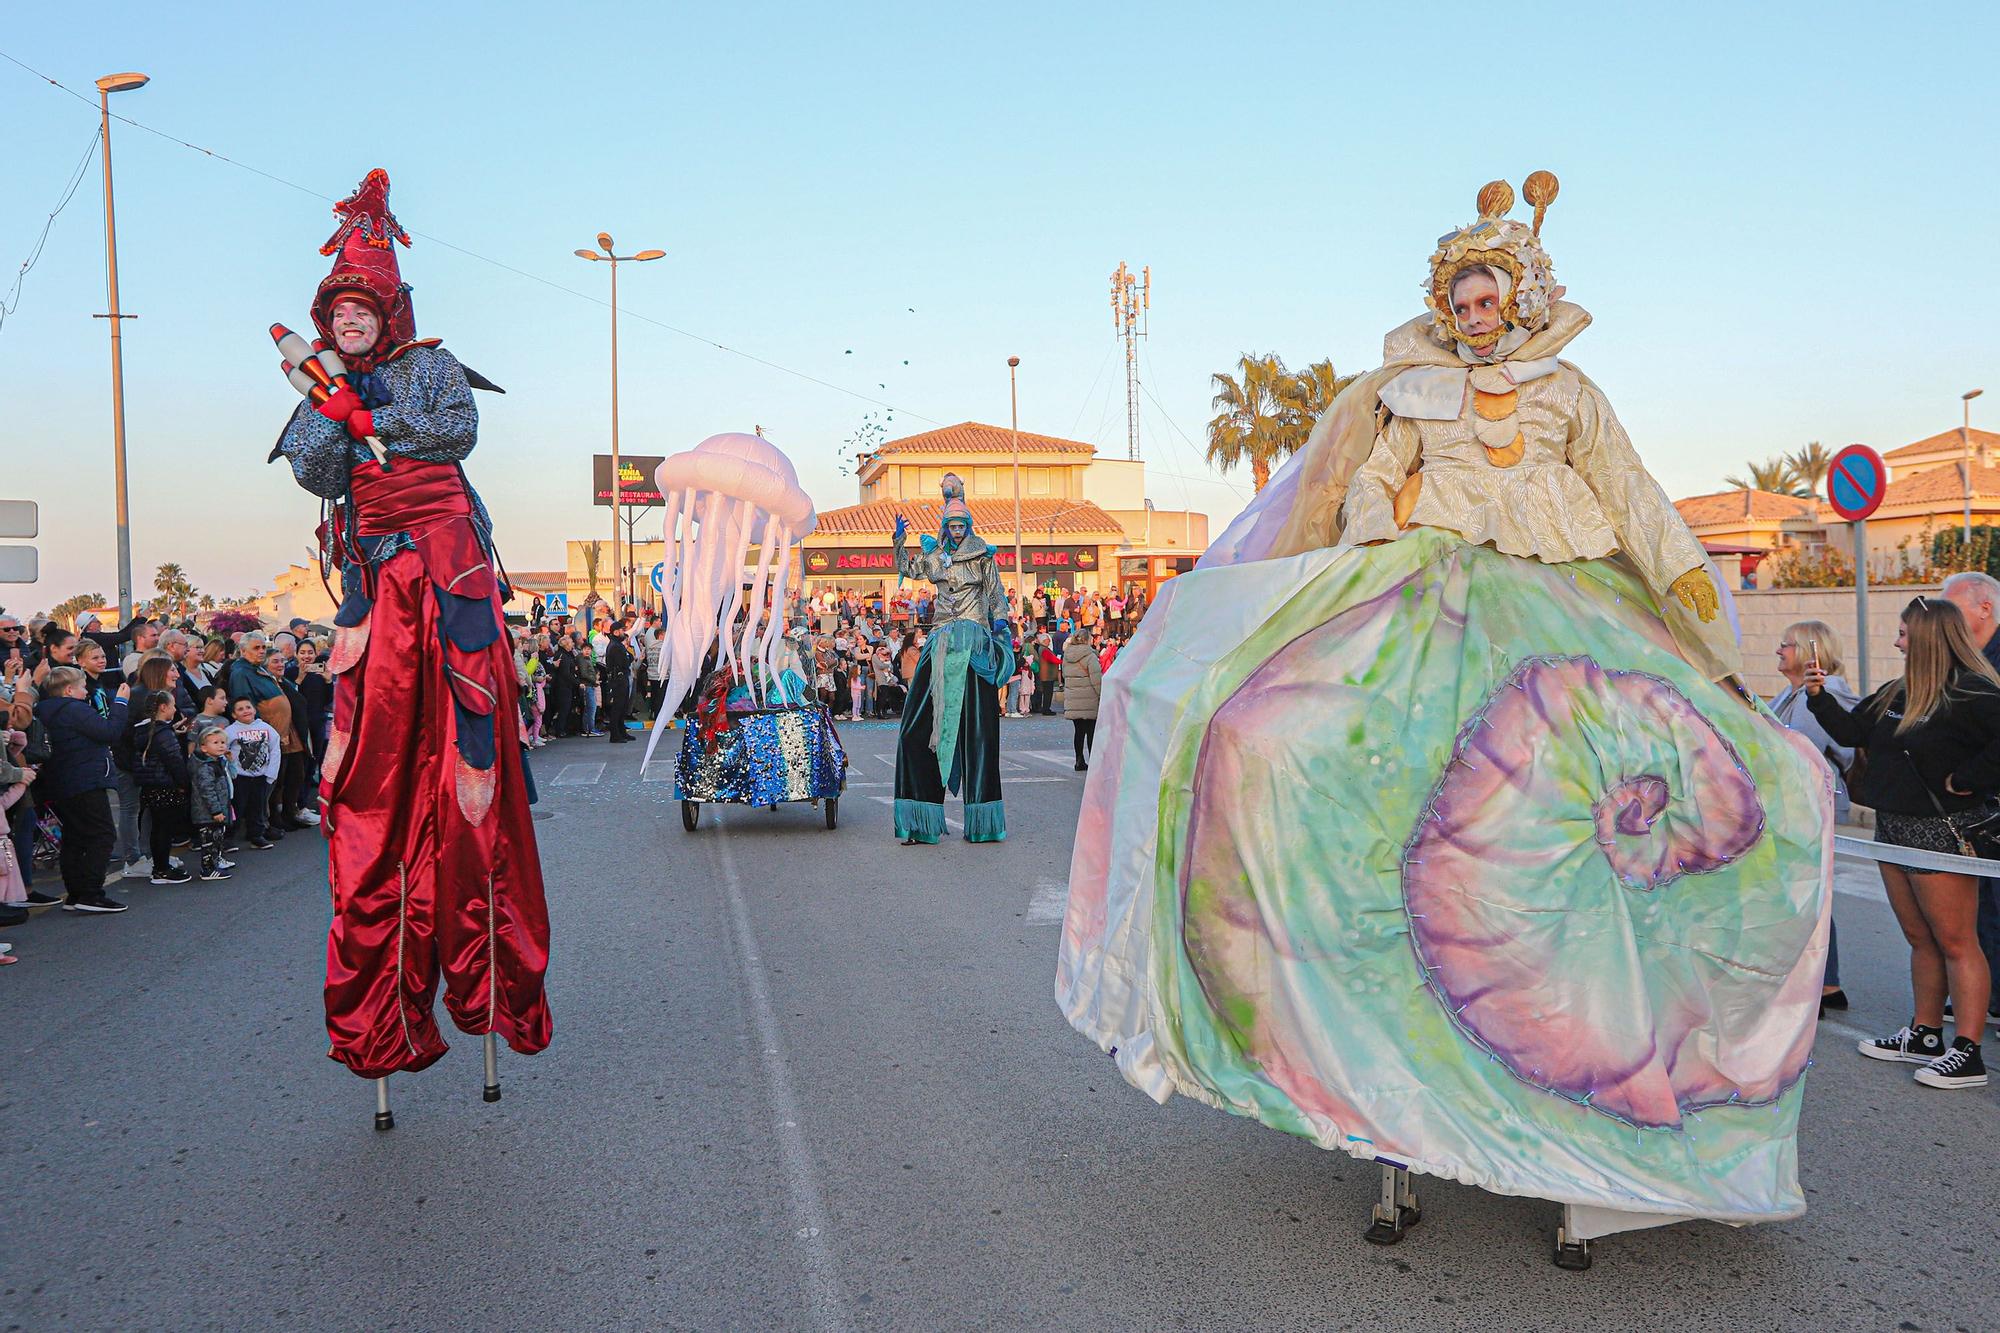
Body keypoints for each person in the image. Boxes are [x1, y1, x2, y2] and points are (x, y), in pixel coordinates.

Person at [1057, 173, 1832, 1231]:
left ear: (1517, 300)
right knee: (1263, 734)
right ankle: (1348, 1038)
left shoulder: (1570, 394)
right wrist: (1380, 521)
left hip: (1562, 595)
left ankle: (1586, 1078)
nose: (1473, 320)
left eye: (1487, 302)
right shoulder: (1414, 391)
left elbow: (1638, 507)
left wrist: (1710, 636)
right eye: (1458, 305)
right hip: (1431, 588)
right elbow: (1374, 480)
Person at [270, 169, 551, 1077]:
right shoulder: (320, 383)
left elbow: (456, 431)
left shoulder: (430, 365)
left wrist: (371, 412)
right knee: (377, 773)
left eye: (363, 308)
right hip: (375, 587)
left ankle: (488, 983)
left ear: (388, 310)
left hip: (451, 571)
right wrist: (340, 405)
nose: (349, 320)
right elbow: (316, 472)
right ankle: (386, 1010)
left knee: (471, 748)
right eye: (337, 310)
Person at [1807, 596, 1997, 1089]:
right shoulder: (1898, 691)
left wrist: (1967, 779)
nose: (1896, 640)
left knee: (1957, 941)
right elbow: (1852, 733)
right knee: (1920, 938)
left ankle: (1968, 1052)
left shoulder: (1973, 692)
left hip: (1941, 830)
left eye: (1904, 632)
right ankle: (1925, 1034)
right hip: (1892, 828)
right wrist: (1818, 696)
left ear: (1929, 638)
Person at [889, 474, 1016, 845]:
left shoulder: (982, 557)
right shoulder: (934, 557)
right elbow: (908, 569)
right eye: (952, 525)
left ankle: (984, 822)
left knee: (980, 735)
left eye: (961, 525)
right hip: (942, 642)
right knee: (915, 729)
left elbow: (996, 597)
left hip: (974, 643)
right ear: (944, 527)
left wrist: (1001, 628)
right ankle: (919, 818)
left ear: (968, 526)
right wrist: (899, 540)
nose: (957, 531)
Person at [1768, 619, 1857, 1013]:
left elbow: (1795, 749)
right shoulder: (1790, 695)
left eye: (1785, 645)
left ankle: (1814, 983)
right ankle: (1828, 984)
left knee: (1801, 894)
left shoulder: (1820, 695)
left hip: (1806, 803)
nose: (1778, 650)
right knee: (1807, 892)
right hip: (1794, 804)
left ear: (1807, 650)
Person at [1941, 570, 2000, 1033]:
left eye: (1953, 606)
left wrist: (1966, 777)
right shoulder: (1965, 658)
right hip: (1979, 808)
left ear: (1985, 608)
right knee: (1984, 907)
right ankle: (1987, 996)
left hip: (1985, 794)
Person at [34, 667, 132, 913]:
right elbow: (109, 731)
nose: (86, 690)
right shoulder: (74, 709)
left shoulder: (45, 710)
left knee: (75, 837)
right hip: (85, 778)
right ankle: (91, 893)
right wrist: (120, 703)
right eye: (82, 686)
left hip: (61, 780)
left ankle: (76, 893)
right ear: (69, 690)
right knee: (102, 834)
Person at [125, 690, 193, 884]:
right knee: (165, 829)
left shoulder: (145, 730)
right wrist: (184, 784)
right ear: (163, 707)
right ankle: (162, 870)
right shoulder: (163, 734)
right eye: (172, 705)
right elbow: (174, 761)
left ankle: (160, 866)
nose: (175, 709)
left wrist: (172, 730)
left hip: (150, 785)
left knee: (158, 827)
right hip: (165, 784)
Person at [225, 696, 281, 851]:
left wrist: (271, 774)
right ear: (234, 715)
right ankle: (228, 837)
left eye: (248, 707)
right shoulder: (230, 731)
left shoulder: (267, 728)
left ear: (254, 710)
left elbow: (275, 750)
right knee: (237, 807)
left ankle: (256, 836)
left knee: (257, 807)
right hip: (240, 777)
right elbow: (223, 750)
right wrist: (229, 772)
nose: (245, 711)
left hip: (260, 777)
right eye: (240, 709)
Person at [1061, 627, 1103, 770]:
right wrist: (1101, 695)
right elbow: (1096, 679)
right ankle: (1093, 762)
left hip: (1073, 698)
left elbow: (1065, 676)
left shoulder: (1066, 656)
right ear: (1087, 640)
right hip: (1089, 698)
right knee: (1091, 731)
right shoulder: (1090, 656)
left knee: (1078, 731)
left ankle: (1079, 760)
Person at [601, 622, 634, 742]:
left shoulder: (618, 644)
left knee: (623, 706)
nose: (623, 633)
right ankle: (615, 734)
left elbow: (629, 657)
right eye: (621, 630)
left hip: (621, 678)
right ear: (615, 632)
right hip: (618, 679)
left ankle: (622, 731)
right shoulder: (614, 646)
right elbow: (624, 662)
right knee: (617, 707)